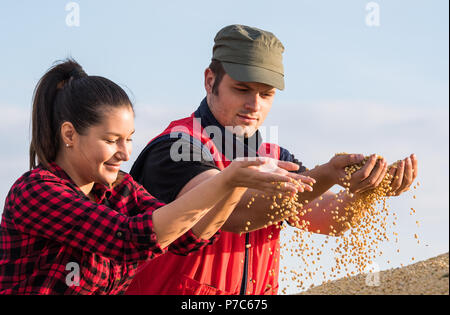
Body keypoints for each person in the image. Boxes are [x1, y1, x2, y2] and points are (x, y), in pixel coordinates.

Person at [125, 24, 418, 295]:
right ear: (210, 80)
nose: (254, 105)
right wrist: (327, 174)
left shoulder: (276, 157)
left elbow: (329, 219)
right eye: (241, 90)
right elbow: (234, 216)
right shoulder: (177, 147)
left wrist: (365, 192)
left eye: (266, 94)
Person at [0, 59, 313, 295]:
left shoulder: (122, 190)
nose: (124, 153)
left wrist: (232, 184)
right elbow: (126, 238)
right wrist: (224, 180)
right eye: (111, 141)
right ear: (70, 134)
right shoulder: (36, 192)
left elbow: (188, 235)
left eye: (128, 139)